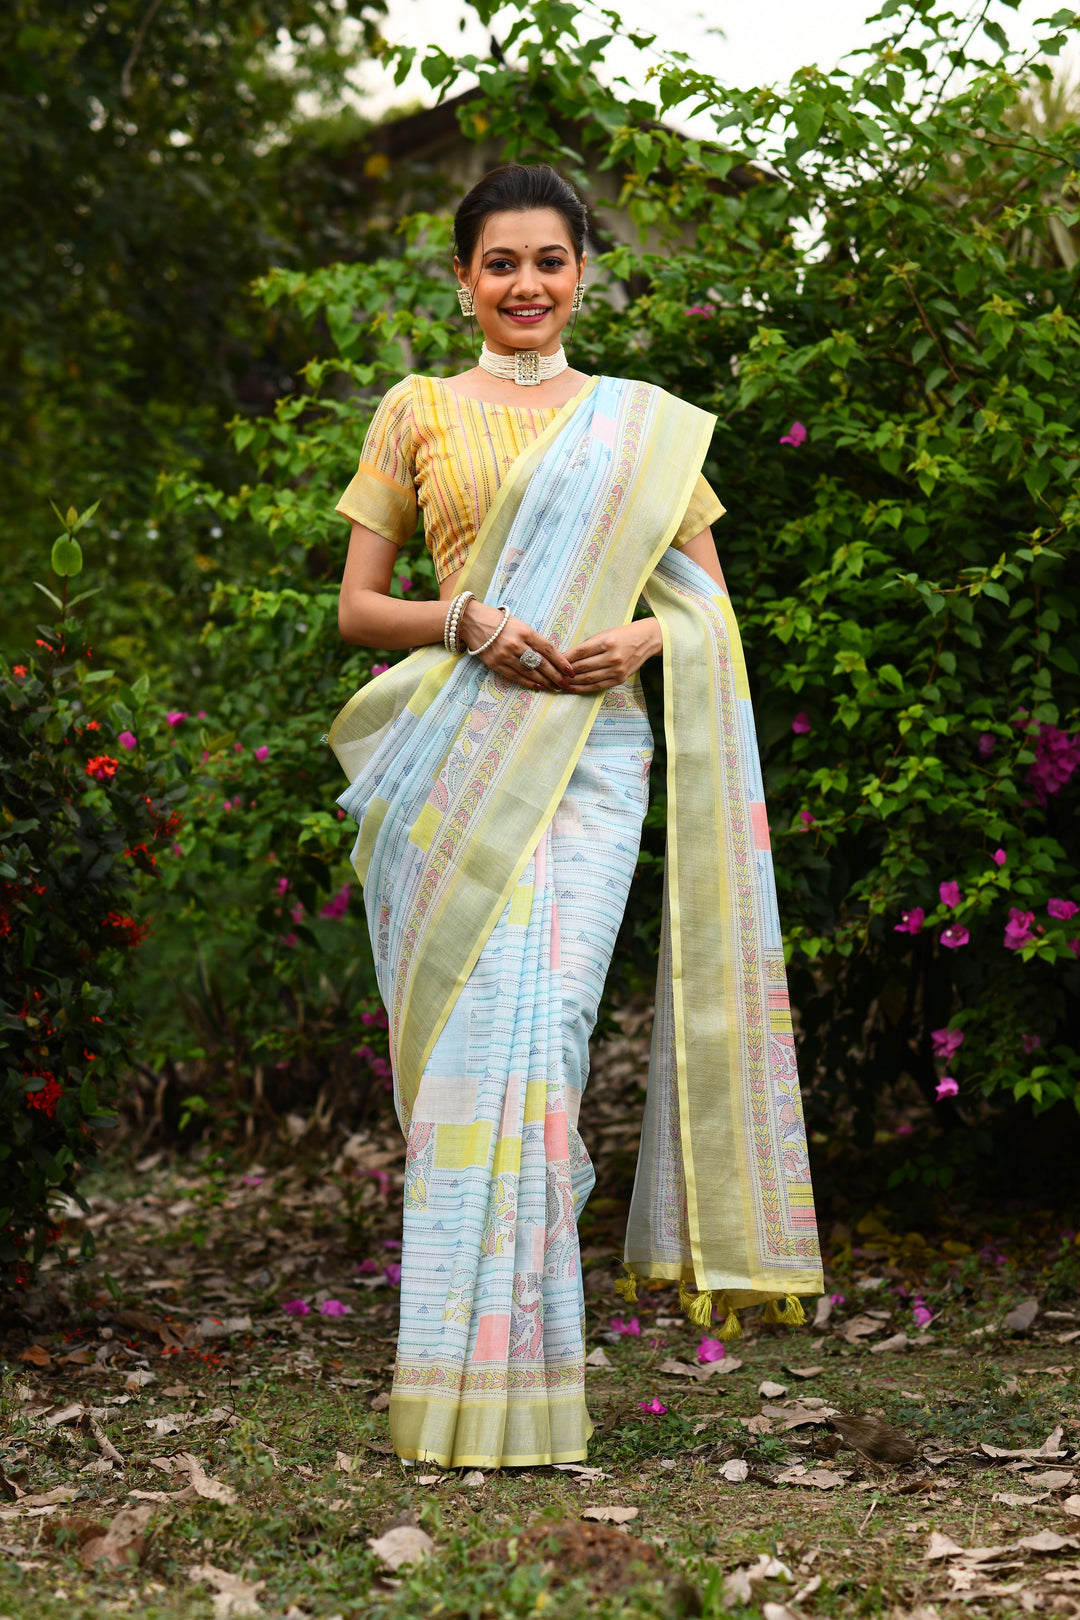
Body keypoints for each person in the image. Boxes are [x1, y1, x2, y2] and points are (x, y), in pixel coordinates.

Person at [331, 163, 822, 1470]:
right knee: (470, 1060)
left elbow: (707, 609)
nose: (526, 285)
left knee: (540, 1043)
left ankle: (530, 1386)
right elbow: (358, 609)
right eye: (501, 264)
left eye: (549, 261)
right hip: (457, 755)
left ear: (583, 273)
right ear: (463, 279)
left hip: (595, 756)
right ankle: (457, 1385)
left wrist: (642, 642)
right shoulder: (416, 410)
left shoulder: (640, 427)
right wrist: (464, 619)